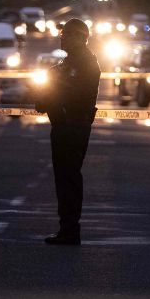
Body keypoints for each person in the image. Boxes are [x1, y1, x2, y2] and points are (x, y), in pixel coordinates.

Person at [34, 19, 100, 246]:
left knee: (68, 178)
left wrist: (49, 93)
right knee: (64, 178)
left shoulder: (85, 64)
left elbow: (70, 94)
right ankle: (67, 228)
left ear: (81, 38)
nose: (62, 37)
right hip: (64, 125)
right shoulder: (70, 63)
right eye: (62, 33)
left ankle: (70, 230)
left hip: (72, 126)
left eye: (68, 34)